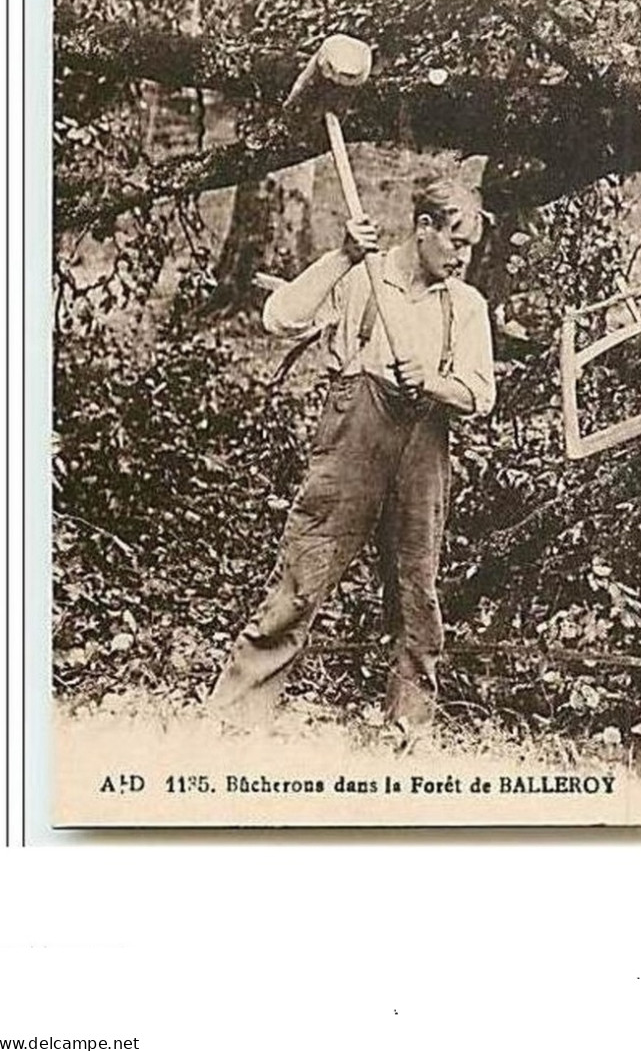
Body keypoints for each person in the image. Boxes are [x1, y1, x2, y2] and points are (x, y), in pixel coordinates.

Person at [209, 177, 495, 733]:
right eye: (455, 243)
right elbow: (279, 317)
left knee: (416, 591)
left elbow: (479, 394)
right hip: (352, 449)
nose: (463, 258)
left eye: (471, 249)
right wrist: (342, 255)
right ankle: (234, 720)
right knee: (303, 577)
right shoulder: (365, 276)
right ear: (424, 228)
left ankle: (406, 728)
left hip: (423, 453)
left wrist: (433, 382)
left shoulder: (466, 305)